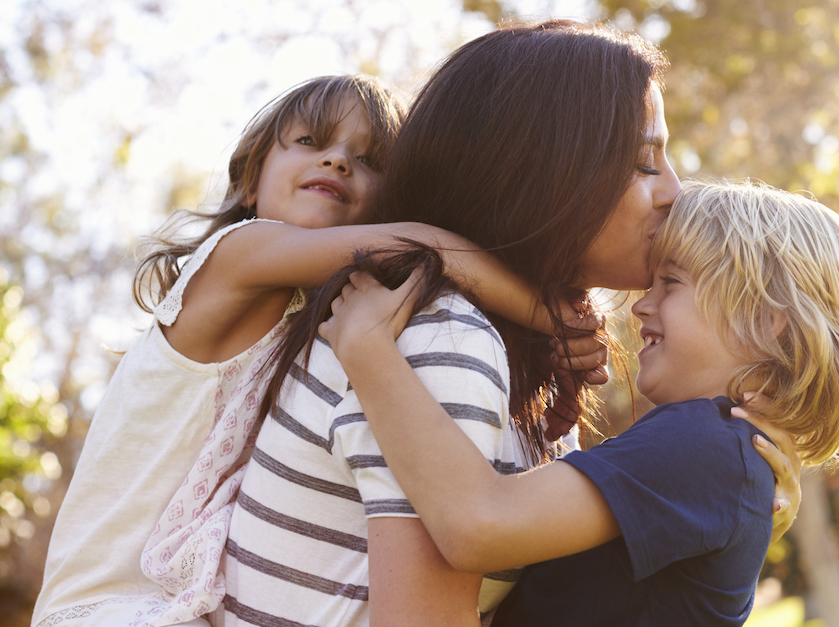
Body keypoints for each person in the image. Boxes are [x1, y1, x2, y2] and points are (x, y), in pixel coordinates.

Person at [215, 22, 803, 627]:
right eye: (642, 161)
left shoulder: (505, 352)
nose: (674, 191)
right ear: (539, 173)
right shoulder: (442, 343)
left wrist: (724, 502)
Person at [32, 74, 589, 627]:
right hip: (109, 604)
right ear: (252, 180)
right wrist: (554, 320)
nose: (338, 162)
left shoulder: (317, 320)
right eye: (310, 142)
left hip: (186, 603)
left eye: (368, 160)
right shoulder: (235, 254)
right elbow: (426, 249)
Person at [320, 179, 839, 626]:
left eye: (671, 283)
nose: (641, 306)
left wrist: (367, 349)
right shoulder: (723, 455)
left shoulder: (705, 443)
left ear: (766, 323)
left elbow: (479, 523)